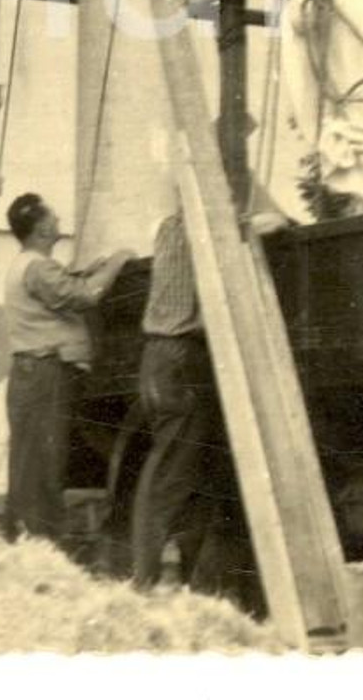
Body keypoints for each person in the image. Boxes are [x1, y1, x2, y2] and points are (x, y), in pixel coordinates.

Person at [3, 192, 133, 545]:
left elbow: (66, 285)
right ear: (43, 227)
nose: (59, 220)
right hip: (46, 372)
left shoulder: (26, 265)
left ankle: (29, 540)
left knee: (32, 461)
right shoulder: (38, 268)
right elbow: (86, 296)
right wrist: (116, 263)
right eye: (54, 216)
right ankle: (41, 544)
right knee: (45, 462)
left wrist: (88, 271)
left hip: (34, 372)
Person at [131, 209, 227, 591]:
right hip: (181, 356)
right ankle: (148, 576)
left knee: (180, 468)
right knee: (174, 472)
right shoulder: (204, 224)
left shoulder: (169, 226)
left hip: (158, 356)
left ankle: (170, 575)